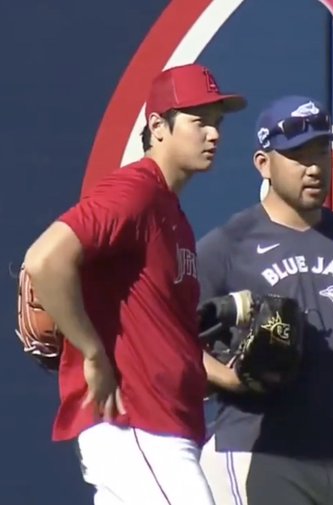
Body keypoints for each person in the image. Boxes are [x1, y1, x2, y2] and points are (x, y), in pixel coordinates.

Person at [21, 63, 246, 505]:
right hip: (135, 423)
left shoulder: (171, 213)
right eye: (199, 121)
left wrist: (229, 377)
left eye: (217, 123)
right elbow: (44, 259)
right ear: (158, 126)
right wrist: (92, 352)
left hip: (158, 429)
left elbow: (168, 337)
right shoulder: (135, 192)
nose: (214, 134)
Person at [196, 96, 333, 505]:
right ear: (263, 163)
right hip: (257, 453)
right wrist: (226, 376)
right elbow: (167, 340)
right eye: (298, 155)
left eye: (321, 151)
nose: (314, 167)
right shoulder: (228, 245)